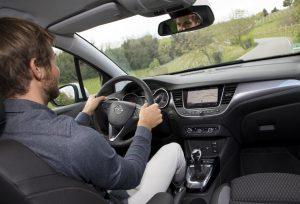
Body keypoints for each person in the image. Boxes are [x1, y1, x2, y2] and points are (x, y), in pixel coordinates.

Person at [0, 17, 186, 203]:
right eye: (53, 61)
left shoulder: (9, 129)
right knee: (174, 149)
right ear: (37, 68)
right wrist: (144, 126)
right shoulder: (77, 140)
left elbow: (54, 146)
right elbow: (132, 174)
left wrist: (86, 113)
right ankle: (182, 191)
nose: (57, 71)